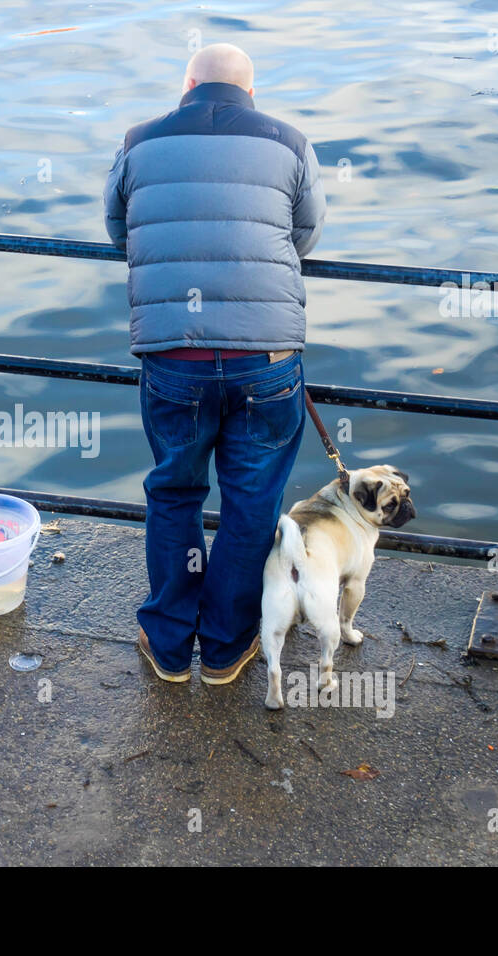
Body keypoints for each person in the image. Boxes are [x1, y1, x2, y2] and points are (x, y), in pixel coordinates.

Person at [103, 42, 326, 683]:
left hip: (175, 354)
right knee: (252, 502)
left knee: (174, 492)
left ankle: (170, 646)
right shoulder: (289, 141)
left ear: (188, 83)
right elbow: (306, 234)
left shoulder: (138, 140)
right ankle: (228, 647)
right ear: (250, 93)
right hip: (266, 355)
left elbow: (121, 231)